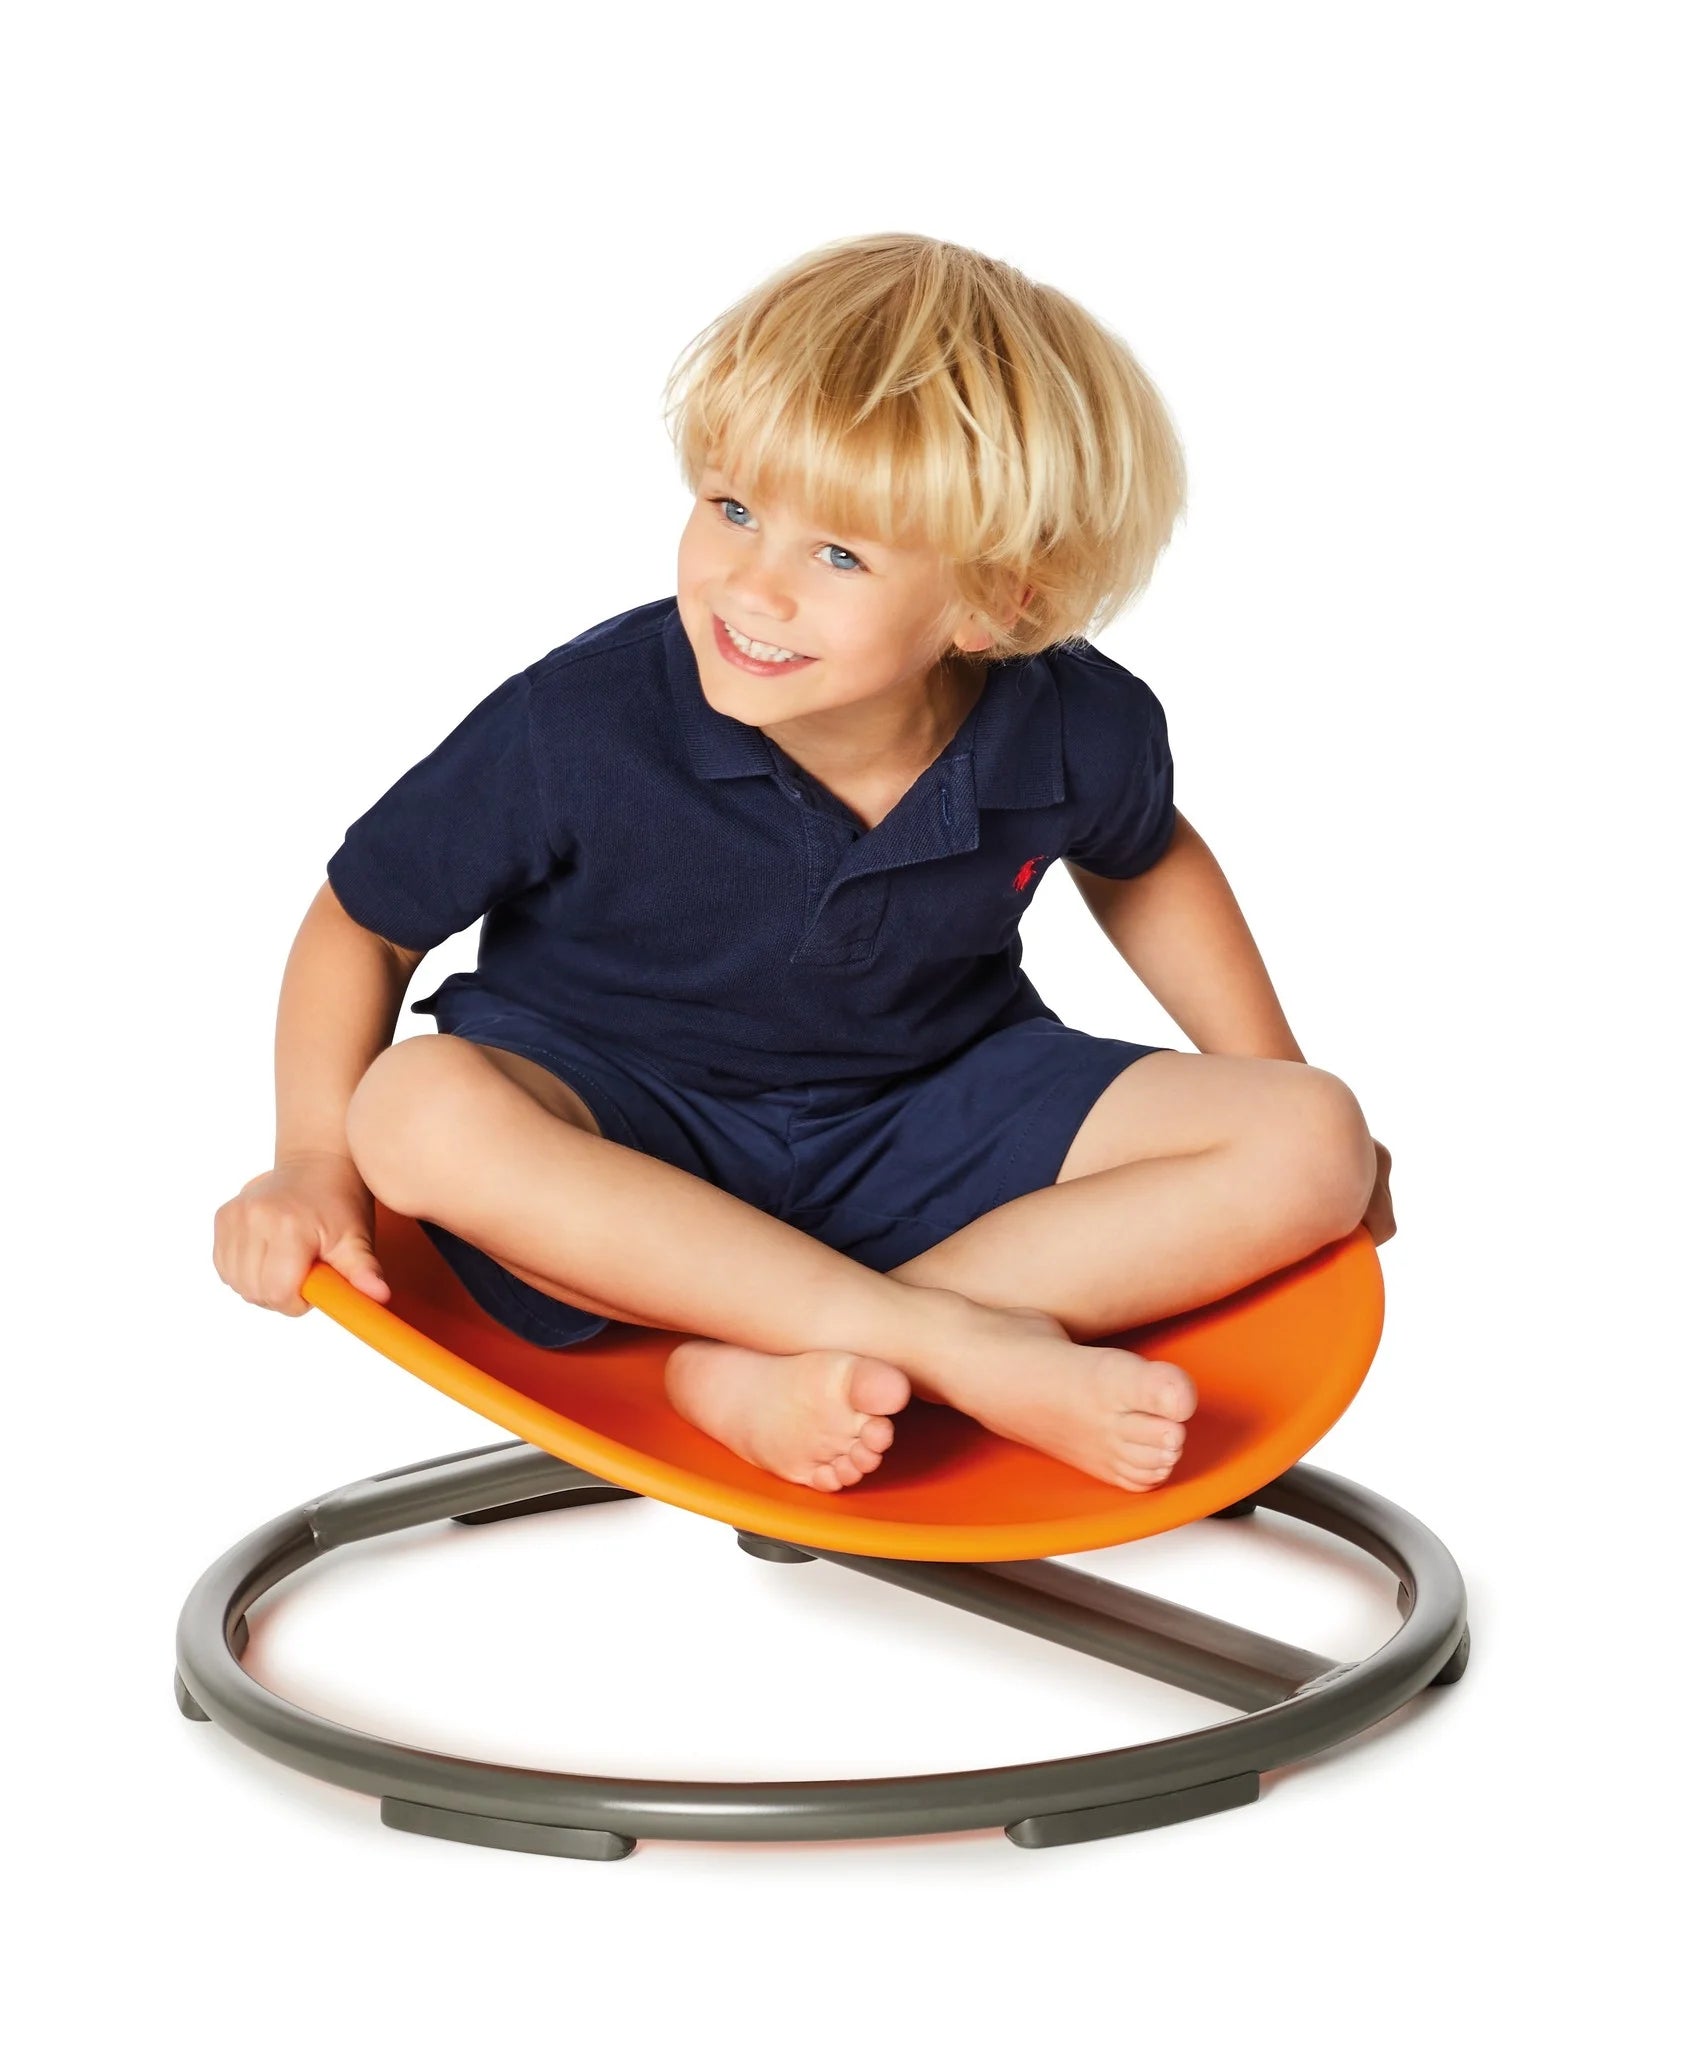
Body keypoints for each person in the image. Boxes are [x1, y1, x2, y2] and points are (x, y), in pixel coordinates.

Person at [214, 231, 1395, 1499]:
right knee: (411, 1107)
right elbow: (366, 920)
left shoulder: (1075, 722)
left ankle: (765, 1359)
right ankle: (949, 1347)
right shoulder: (583, 720)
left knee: (1312, 1135)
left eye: (839, 555)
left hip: (925, 1103)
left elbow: (1144, 859)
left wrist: (1264, 1067)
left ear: (994, 605)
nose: (751, 584)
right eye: (733, 508)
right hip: (622, 1133)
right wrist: (312, 1159)